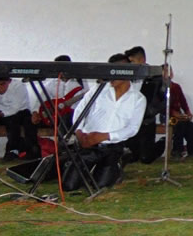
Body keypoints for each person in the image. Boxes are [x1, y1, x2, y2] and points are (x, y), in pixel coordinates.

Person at [62, 53, 146, 191]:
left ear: (127, 72)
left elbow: (133, 128)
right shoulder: (98, 89)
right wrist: (79, 131)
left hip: (112, 147)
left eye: (116, 71)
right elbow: (80, 110)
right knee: (69, 186)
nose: (111, 75)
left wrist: (105, 136)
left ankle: (118, 162)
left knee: (100, 187)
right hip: (88, 143)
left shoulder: (138, 98)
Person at [0, 76, 39, 161]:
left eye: (2, 84)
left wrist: (0, 115)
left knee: (13, 121)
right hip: (1, 111)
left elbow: (15, 107)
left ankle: (13, 150)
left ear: (9, 81)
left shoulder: (19, 86)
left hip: (21, 111)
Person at [123, 46, 166, 164]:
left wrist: (151, 112)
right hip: (130, 120)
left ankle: (163, 141)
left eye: (133, 62)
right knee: (132, 157)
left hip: (146, 121)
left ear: (141, 60)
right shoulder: (128, 77)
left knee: (146, 158)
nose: (131, 65)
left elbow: (162, 100)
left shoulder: (155, 77)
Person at [32, 55, 86, 128]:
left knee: (67, 118)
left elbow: (87, 98)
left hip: (75, 113)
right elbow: (41, 99)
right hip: (56, 115)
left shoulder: (80, 82)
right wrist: (35, 112)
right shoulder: (51, 83)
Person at [165, 70, 193, 158]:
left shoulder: (176, 87)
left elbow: (183, 102)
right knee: (179, 124)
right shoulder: (160, 87)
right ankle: (177, 150)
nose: (168, 74)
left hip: (178, 116)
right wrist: (172, 112)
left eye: (169, 71)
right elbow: (160, 106)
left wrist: (188, 112)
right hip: (166, 117)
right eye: (165, 71)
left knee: (190, 125)